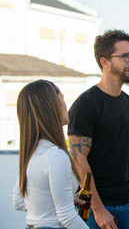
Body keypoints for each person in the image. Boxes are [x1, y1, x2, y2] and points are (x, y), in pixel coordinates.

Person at [67, 29, 129, 229]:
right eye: (125, 56)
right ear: (104, 61)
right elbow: (78, 158)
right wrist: (97, 209)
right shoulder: (86, 104)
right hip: (91, 209)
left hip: (126, 204)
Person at [12, 80, 89, 229]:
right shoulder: (55, 155)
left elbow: (19, 202)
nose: (66, 105)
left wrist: (61, 202)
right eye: (62, 99)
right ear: (51, 107)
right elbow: (67, 216)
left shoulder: (32, 152)